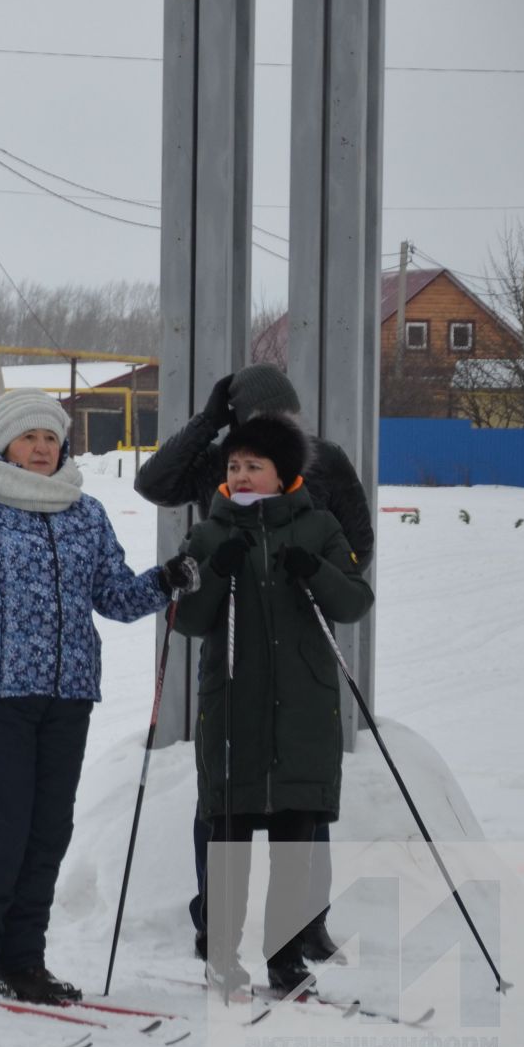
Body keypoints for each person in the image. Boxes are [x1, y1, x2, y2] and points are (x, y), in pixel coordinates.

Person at [0, 389, 190, 1005]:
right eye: (29, 437)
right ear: (3, 442)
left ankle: (25, 959)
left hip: (69, 692)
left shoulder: (85, 512)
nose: (40, 448)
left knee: (48, 830)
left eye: (50, 438)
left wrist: (165, 582)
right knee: (2, 827)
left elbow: (113, 596)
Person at [134, 363, 366, 964]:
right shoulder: (223, 462)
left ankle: (305, 928)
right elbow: (154, 483)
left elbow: (356, 545)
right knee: (222, 807)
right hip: (234, 654)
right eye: (252, 421)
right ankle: (214, 925)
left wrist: (317, 566)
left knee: (303, 807)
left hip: (295, 648)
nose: (267, 432)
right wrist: (210, 420)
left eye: (280, 418)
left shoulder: (325, 461)